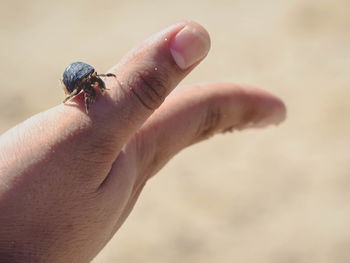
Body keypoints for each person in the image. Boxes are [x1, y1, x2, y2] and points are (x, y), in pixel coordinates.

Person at [0, 21, 286, 262]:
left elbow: (101, 80)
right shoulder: (85, 88)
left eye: (94, 82)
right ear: (84, 86)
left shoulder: (94, 80)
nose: (95, 85)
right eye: (91, 85)